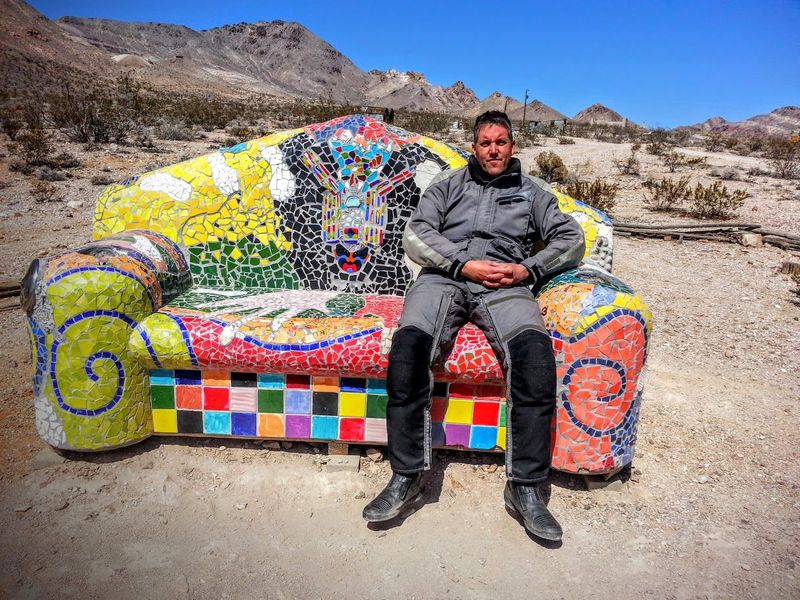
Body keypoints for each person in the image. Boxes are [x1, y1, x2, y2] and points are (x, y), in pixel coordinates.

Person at [362, 111, 585, 541]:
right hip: (444, 279)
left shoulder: (532, 193)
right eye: (486, 143)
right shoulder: (448, 185)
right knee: (408, 352)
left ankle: (525, 488)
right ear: (475, 147)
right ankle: (406, 476)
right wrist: (462, 263)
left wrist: (526, 270)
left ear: (513, 146)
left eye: (501, 142)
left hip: (504, 285)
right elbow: (417, 233)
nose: (493, 150)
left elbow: (571, 239)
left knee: (535, 360)